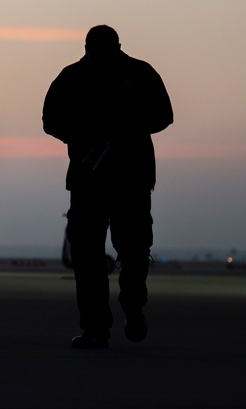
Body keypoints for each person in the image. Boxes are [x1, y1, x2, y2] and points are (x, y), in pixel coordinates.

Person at [43, 25, 172, 349]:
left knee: (134, 251)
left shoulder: (140, 73)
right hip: (90, 178)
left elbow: (163, 115)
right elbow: (50, 119)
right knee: (87, 258)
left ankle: (132, 307)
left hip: (131, 178)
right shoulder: (72, 77)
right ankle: (96, 327)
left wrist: (126, 129)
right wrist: (82, 136)